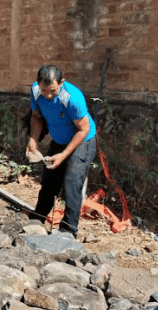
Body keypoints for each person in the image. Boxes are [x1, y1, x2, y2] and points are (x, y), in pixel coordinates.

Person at [26, 64, 97, 238]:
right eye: (44, 90)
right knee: (49, 179)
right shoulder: (36, 91)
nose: (48, 95)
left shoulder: (72, 98)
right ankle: (38, 218)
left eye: (52, 90)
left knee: (72, 182)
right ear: (38, 84)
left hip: (82, 141)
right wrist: (33, 139)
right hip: (59, 140)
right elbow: (36, 116)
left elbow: (83, 129)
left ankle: (68, 230)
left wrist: (64, 155)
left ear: (61, 83)